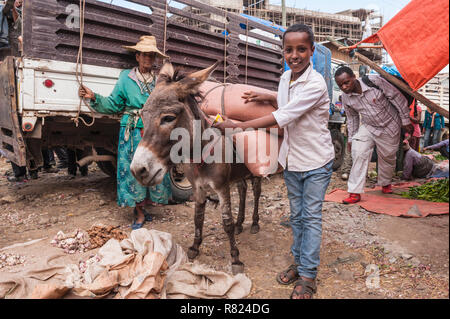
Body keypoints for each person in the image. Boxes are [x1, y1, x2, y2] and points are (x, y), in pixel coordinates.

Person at [215, 24, 334, 299]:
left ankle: (308, 275)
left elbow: (283, 116)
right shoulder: (285, 79)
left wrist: (237, 126)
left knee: (311, 218)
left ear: (312, 51)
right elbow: (283, 100)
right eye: (289, 50)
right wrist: (266, 95)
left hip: (316, 162)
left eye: (301, 49)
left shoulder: (316, 84)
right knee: (297, 217)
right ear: (283, 52)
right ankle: (299, 262)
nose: (295, 55)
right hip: (292, 160)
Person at [78, 36, 172, 230]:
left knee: (152, 167)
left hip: (152, 132)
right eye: (144, 55)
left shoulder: (159, 81)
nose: (148, 59)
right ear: (137, 56)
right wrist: (93, 96)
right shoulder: (125, 77)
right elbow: (114, 104)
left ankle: (146, 206)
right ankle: (137, 212)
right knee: (133, 171)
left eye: (152, 55)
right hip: (132, 130)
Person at [334, 66, 413, 204]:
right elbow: (352, 118)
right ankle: (354, 192)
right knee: (358, 152)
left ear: (354, 77)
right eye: (340, 85)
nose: (344, 87)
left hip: (390, 125)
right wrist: (351, 138)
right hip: (369, 126)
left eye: (347, 82)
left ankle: (385, 183)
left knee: (388, 156)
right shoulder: (346, 98)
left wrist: (405, 120)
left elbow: (396, 97)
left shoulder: (374, 81)